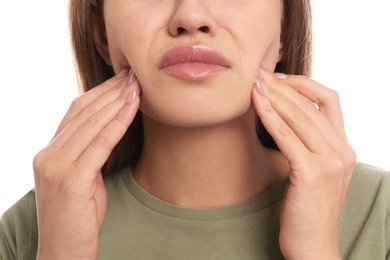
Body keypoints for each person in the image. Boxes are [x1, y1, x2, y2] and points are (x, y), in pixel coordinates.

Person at [0, 0, 389, 259]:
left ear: (285, 28)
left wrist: (316, 249)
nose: (190, 18)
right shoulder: (30, 229)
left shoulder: (380, 211)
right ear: (101, 35)